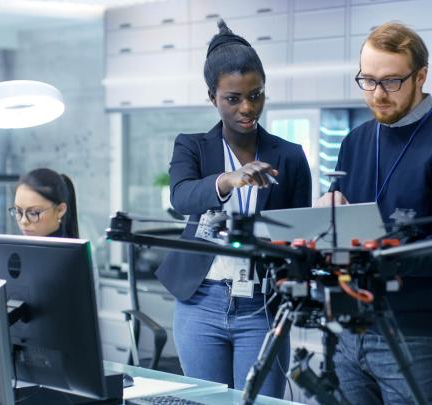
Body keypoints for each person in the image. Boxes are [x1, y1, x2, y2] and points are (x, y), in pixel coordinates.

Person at [316, 22, 432, 404]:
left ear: (421, 76)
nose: (377, 94)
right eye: (368, 80)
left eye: (391, 82)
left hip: (413, 336)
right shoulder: (354, 141)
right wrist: (327, 214)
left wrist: (378, 251)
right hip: (347, 330)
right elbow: (339, 226)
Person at [155, 20, 312, 398]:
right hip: (201, 303)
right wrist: (229, 180)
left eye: (256, 95)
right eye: (233, 98)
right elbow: (182, 196)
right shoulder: (192, 147)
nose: (247, 107)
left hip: (262, 305)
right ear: (213, 97)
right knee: (205, 400)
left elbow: (297, 236)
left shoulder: (289, 157)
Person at [9, 168, 79, 238]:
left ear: (60, 210)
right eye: (18, 211)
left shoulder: (70, 248)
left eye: (33, 213)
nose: (23, 221)